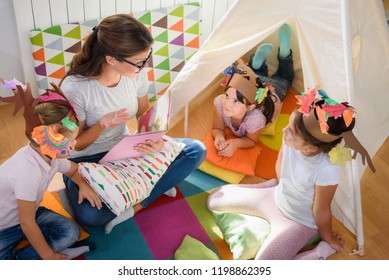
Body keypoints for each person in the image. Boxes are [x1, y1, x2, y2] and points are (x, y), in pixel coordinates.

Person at [60, 14, 206, 234]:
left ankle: (136, 203)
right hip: (88, 161)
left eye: (147, 58)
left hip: (125, 150)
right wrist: (102, 125)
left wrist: (153, 139)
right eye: (139, 62)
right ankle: (150, 184)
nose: (144, 66)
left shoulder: (136, 74)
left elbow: (142, 112)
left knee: (195, 150)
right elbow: (76, 145)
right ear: (111, 59)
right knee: (91, 215)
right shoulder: (75, 87)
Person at [207, 87, 375, 259]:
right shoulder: (290, 138)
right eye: (288, 125)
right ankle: (268, 186)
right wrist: (279, 186)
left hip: (299, 222)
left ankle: (319, 253)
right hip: (275, 198)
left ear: (310, 148)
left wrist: (329, 238)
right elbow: (280, 165)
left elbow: (321, 211)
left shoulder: (327, 170)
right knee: (213, 200)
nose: (284, 131)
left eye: (291, 132)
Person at [0, 81, 99, 260]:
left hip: (30, 215)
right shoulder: (28, 172)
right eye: (71, 140)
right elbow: (27, 223)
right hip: (4, 228)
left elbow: (73, 170)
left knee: (71, 232)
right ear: (53, 136)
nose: (74, 144)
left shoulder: (51, 156)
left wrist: (83, 186)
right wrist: (48, 255)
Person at [212, 23, 294, 157]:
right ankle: (258, 64)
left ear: (250, 107)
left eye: (235, 101)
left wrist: (236, 143)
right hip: (253, 84)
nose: (226, 103)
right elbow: (216, 128)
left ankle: (283, 55)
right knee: (252, 76)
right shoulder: (219, 103)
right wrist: (219, 137)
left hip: (274, 90)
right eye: (226, 95)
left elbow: (251, 140)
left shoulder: (256, 119)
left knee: (285, 78)